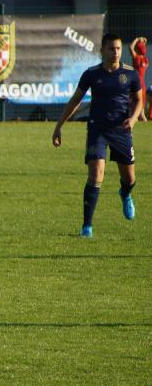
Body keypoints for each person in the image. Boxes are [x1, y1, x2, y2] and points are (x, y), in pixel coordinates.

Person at [52, 32, 141, 237]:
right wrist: (59, 126)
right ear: (102, 50)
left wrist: (134, 118)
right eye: (111, 48)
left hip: (121, 130)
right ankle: (87, 227)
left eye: (118, 48)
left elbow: (139, 99)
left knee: (129, 178)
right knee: (95, 175)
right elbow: (75, 101)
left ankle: (125, 193)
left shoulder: (130, 74)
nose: (115, 52)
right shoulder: (91, 74)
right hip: (97, 129)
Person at [129, 37, 148, 121]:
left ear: (137, 49)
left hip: (135, 83)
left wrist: (136, 39)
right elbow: (142, 49)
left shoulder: (136, 57)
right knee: (142, 110)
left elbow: (131, 47)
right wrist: (143, 42)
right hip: (142, 84)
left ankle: (133, 119)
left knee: (133, 107)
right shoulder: (146, 60)